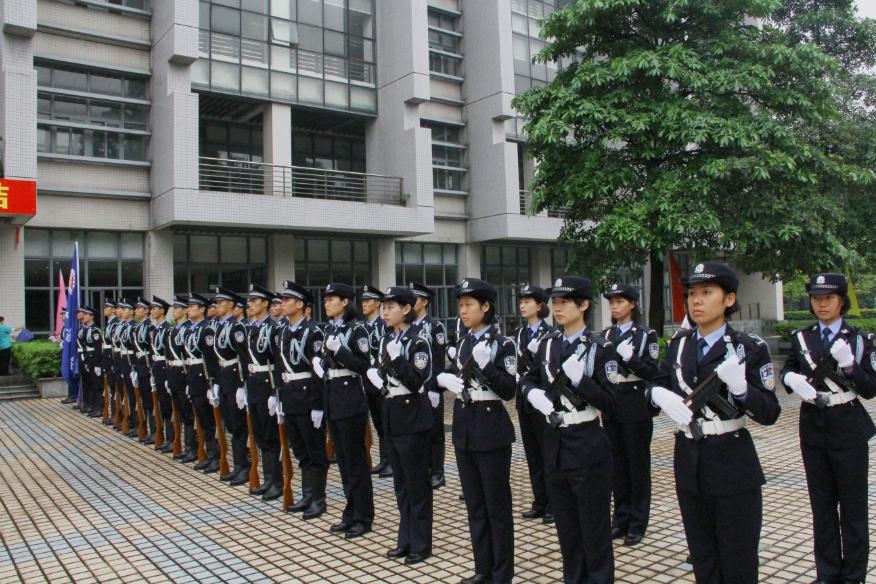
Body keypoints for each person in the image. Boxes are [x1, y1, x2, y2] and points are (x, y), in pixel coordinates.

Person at [647, 261, 780, 583]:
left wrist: (742, 390)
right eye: (692, 293)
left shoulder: (749, 348)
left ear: (729, 299)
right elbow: (657, 384)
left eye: (707, 292)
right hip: (690, 460)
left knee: (738, 560)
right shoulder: (679, 346)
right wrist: (655, 395)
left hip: (732, 462)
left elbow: (770, 412)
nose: (696, 301)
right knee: (703, 557)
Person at [780, 273, 875, 584]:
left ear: (841, 301)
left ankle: (854, 576)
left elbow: (871, 388)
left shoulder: (861, 340)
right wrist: (789, 379)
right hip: (813, 426)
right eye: (816, 298)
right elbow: (790, 368)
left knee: (853, 507)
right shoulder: (801, 338)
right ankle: (827, 573)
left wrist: (850, 366)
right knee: (821, 507)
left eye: (828, 297)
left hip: (847, 425)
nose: (821, 303)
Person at [522, 276, 618, 584]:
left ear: (584, 305)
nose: (557, 307)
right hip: (555, 444)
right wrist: (529, 392)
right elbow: (531, 377)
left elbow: (612, 402)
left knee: (594, 530)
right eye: (555, 302)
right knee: (567, 531)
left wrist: (583, 382)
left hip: (587, 443)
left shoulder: (600, 347)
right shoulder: (549, 343)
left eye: (564, 302)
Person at [437, 278, 516, 584]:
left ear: (486, 306)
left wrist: (490, 367)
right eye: (460, 305)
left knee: (497, 507)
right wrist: (442, 380)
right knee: (475, 506)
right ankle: (483, 569)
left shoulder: (503, 344)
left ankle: (502, 574)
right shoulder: (464, 341)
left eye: (469, 304)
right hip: (465, 426)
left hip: (491, 427)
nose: (463, 310)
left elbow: (509, 390)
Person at [366, 286, 434, 565]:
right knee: (401, 484)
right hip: (392, 415)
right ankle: (404, 538)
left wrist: (397, 361)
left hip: (413, 416)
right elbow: (383, 375)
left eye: (391, 307)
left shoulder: (419, 341)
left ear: (406, 309)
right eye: (383, 307)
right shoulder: (385, 341)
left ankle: (421, 543)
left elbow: (418, 380)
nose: (385, 312)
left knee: (417, 484)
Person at [601, 283, 660, 546]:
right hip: (612, 404)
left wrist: (632, 359)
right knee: (616, 467)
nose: (614, 306)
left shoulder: (646, 335)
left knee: (637, 467)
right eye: (611, 302)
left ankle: (637, 523)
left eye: (620, 301)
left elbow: (652, 372)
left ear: (633, 304)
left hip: (635, 405)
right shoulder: (605, 335)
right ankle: (620, 519)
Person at [316, 282, 374, 539]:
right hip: (333, 397)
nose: (326, 303)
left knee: (356, 462)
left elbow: (364, 365)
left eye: (332, 299)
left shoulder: (356, 330)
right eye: (325, 298)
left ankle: (363, 516)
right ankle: (350, 513)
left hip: (350, 399)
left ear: (345, 302)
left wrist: (340, 351)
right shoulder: (330, 328)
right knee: (343, 463)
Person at [276, 280, 328, 518]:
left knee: (315, 449)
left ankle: (318, 499)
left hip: (308, 396)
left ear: (300, 304)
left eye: (287, 300)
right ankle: (307, 495)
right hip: (290, 396)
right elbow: (279, 366)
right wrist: (278, 396)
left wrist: (317, 404)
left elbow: (318, 372)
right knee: (300, 450)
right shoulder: (284, 330)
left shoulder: (314, 331)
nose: (282, 304)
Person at [512, 285, 555, 525]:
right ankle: (539, 501)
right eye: (521, 301)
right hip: (524, 399)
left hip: (542, 399)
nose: (522, 305)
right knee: (532, 455)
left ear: (539, 305)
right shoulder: (519, 333)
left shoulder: (549, 334)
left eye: (528, 301)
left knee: (547, 453)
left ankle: (552, 504)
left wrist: (531, 358)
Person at [408, 282, 448, 489]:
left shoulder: (434, 326)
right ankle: (424, 468)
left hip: (431, 387)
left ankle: (438, 471)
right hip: (414, 388)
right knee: (420, 431)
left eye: (415, 298)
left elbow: (439, 361)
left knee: (435, 431)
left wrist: (435, 388)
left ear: (424, 302)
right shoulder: (408, 327)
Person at [211, 287, 252, 484]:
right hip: (225, 378)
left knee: (239, 426)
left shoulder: (236, 328)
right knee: (231, 425)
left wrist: (243, 386)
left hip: (235, 379)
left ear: (230, 305)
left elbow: (243, 358)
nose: (217, 306)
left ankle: (244, 467)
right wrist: (217, 384)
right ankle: (238, 466)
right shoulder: (220, 326)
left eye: (220, 302)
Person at [246, 285, 283, 500]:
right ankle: (268, 478)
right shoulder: (250, 328)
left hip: (266, 385)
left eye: (255, 300)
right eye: (249, 300)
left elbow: (278, 362)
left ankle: (276, 481)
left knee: (271, 436)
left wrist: (274, 392)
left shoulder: (273, 328)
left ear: (265, 304)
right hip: (253, 385)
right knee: (260, 435)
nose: (250, 304)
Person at [360, 284, 391, 478]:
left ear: (378, 304)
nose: (364, 304)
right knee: (378, 424)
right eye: (362, 301)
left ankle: (391, 461)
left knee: (387, 423)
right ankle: (384, 460)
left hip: (381, 381)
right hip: (367, 381)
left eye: (368, 300)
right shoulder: (362, 327)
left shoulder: (383, 325)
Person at [149, 297, 174, 451]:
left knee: (168, 406)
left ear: (162, 311)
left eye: (154, 308)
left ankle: (172, 439)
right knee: (161, 406)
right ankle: (164, 437)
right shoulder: (155, 330)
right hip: (156, 368)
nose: (152, 311)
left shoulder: (167, 330)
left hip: (165, 369)